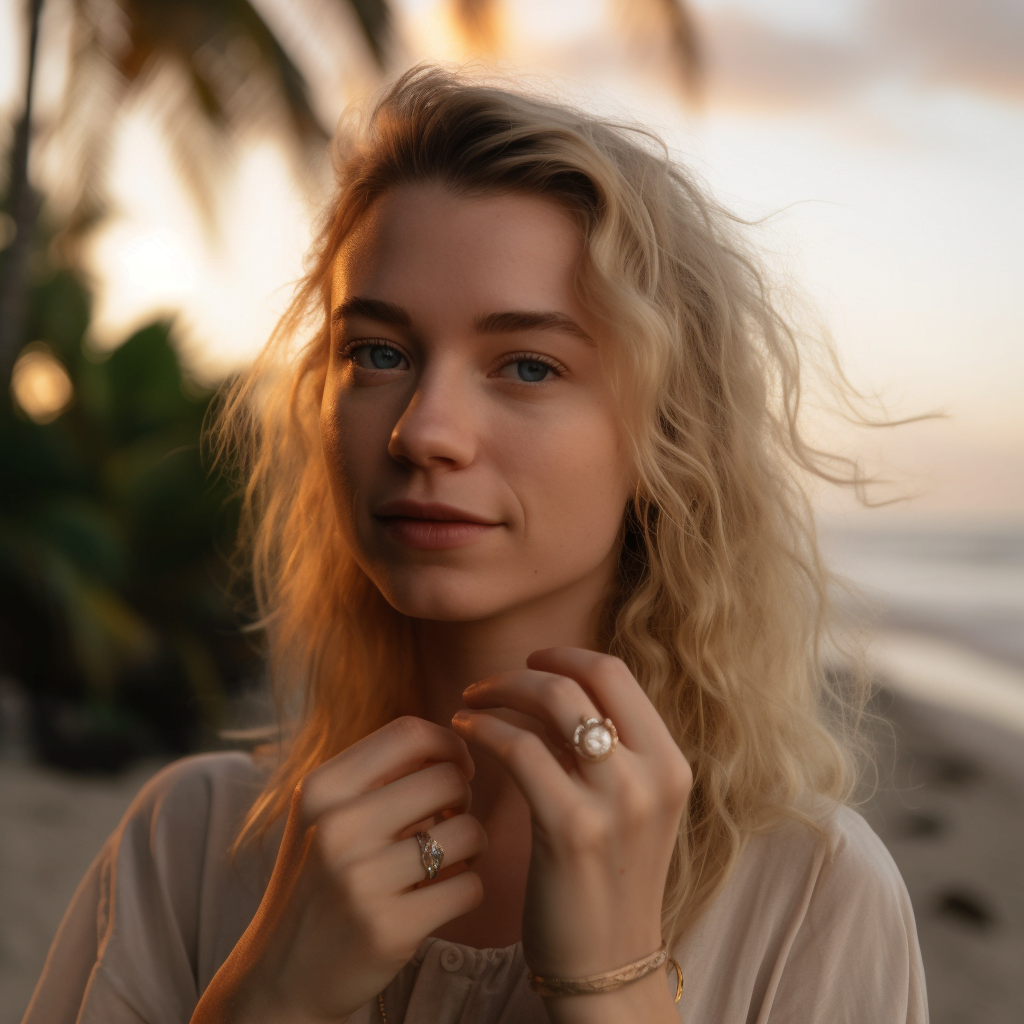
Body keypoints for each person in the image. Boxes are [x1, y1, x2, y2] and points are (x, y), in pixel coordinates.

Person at [23, 66, 928, 1024]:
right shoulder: (191, 841)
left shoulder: (813, 898)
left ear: (671, 434)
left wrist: (616, 987)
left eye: (528, 365)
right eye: (377, 352)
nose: (424, 432)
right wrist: (270, 995)